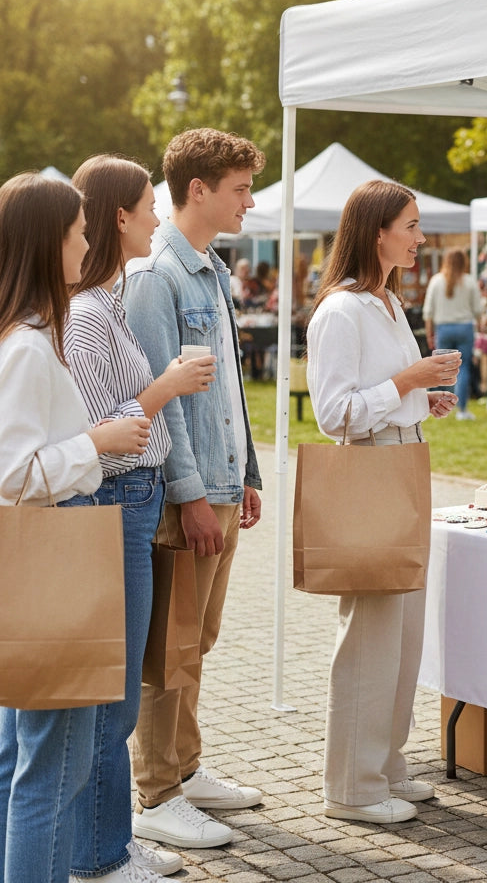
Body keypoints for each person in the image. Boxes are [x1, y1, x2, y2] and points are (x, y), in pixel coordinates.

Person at [63, 155, 218, 882]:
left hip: (135, 501)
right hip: (118, 501)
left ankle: (112, 839)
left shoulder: (109, 298)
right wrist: (166, 388)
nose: (156, 217)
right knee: (112, 699)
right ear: (118, 216)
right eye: (146, 206)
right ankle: (101, 855)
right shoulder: (89, 315)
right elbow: (100, 432)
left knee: (121, 694)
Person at [0, 173, 152, 883]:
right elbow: (13, 473)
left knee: (26, 761)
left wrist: (91, 438)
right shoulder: (29, 345)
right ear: (47, 242)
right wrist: (98, 444)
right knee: (51, 772)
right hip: (56, 548)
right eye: (78, 232)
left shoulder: (29, 334)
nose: (88, 242)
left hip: (44, 553)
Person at [120, 128, 265, 850]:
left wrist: (245, 477)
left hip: (219, 484)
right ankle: (158, 793)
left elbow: (227, 390)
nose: (249, 200)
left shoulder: (210, 268)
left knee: (195, 643)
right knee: (166, 650)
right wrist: (192, 496)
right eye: (239, 188)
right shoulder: (157, 275)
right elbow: (161, 397)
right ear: (197, 189)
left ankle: (185, 766)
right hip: (188, 495)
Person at [305, 179, 458, 825]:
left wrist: (424, 398)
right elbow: (332, 412)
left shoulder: (389, 303)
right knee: (370, 634)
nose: (421, 238)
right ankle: (352, 785)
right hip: (369, 471)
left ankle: (386, 762)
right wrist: (410, 380)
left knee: (404, 630)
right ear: (377, 232)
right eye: (412, 225)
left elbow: (382, 395)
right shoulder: (341, 312)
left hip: (403, 462)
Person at [422, 248, 483, 421]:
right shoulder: (469, 282)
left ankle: (444, 406)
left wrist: (429, 334)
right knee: (463, 368)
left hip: (444, 328)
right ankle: (462, 409)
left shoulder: (436, 281)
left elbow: (428, 312)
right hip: (465, 328)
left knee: (444, 369)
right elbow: (478, 310)